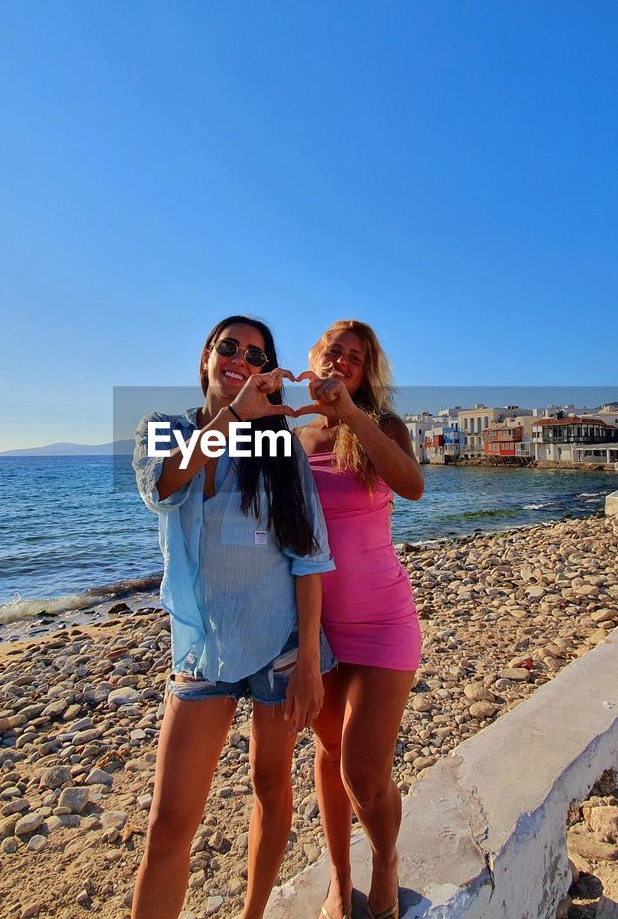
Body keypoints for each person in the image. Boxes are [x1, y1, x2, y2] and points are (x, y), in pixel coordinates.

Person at [130, 315, 336, 919]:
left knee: (270, 788)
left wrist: (308, 668)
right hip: (200, 648)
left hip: (280, 646)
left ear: (266, 371)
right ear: (205, 357)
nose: (239, 359)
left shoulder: (279, 449)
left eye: (254, 354)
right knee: (169, 825)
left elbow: (310, 556)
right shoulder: (163, 430)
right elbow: (164, 487)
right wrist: (234, 418)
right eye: (229, 347)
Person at [293, 320, 424, 919]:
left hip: (382, 621)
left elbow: (413, 485)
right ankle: (340, 881)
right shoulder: (293, 436)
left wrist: (352, 414)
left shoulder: (384, 426)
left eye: (355, 357)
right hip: (317, 627)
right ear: (316, 359)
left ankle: (386, 861)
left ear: (366, 371)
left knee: (362, 771)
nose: (341, 363)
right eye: (333, 353)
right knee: (328, 756)